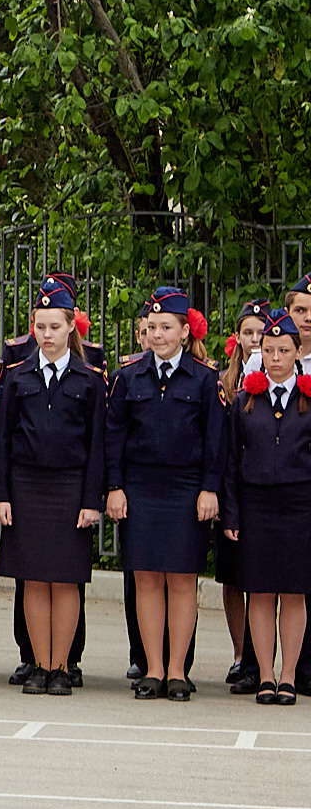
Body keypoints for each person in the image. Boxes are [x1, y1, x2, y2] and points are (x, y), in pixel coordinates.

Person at [0, 278, 106, 697]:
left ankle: (62, 665)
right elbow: (1, 440)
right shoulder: (18, 377)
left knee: (66, 579)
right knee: (35, 580)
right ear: (33, 327)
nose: (47, 335)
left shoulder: (89, 379)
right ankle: (39, 664)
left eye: (55, 326)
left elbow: (97, 446)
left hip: (70, 487)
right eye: (41, 326)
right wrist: (0, 495)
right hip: (26, 486)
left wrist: (92, 499)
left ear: (71, 327)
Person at [105, 286, 222, 701]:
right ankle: (152, 668)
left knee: (182, 580)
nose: (156, 334)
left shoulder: (206, 380)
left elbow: (215, 441)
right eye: (152, 326)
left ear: (185, 333)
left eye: (166, 327)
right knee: (147, 578)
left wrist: (210, 488)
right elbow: (113, 436)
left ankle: (177, 670)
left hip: (186, 489)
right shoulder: (127, 377)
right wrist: (115, 487)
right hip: (141, 489)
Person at [221, 309, 311, 705]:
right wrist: (232, 513)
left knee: (293, 594)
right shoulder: (245, 401)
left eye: (284, 350)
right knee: (259, 593)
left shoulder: (309, 400)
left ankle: (289, 675)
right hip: (256, 506)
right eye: (269, 349)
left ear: (298, 353)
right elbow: (230, 462)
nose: (275, 358)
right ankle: (266, 674)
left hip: (299, 508)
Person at [217, 300, 270, 692]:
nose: (254, 340)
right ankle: (242, 656)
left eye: (260, 332)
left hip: (271, 495)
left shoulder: (288, 378)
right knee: (235, 579)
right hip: (231, 490)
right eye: (247, 332)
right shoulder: (222, 381)